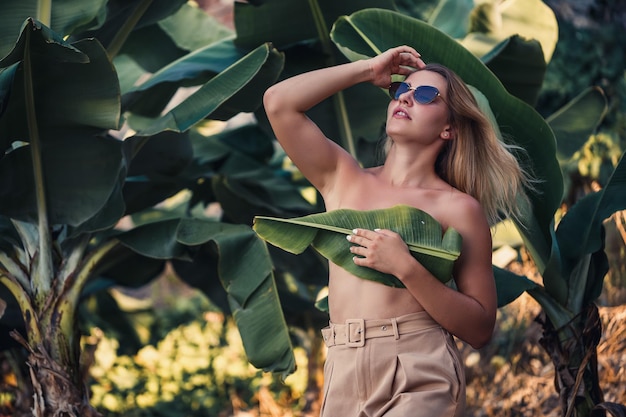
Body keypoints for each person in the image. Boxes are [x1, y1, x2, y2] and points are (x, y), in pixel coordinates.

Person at [263, 45, 532, 417]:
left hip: (417, 365)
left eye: (425, 95)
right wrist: (365, 70)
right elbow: (278, 102)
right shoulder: (343, 178)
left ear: (449, 127)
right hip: (342, 365)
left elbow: (480, 327)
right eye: (401, 90)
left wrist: (406, 268)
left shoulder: (458, 208)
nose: (406, 96)